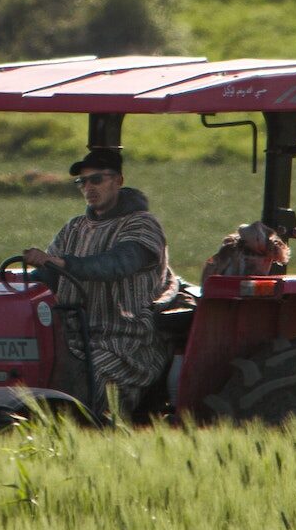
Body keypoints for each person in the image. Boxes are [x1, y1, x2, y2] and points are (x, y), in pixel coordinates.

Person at [23, 148, 180, 415]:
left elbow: (115, 265)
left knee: (84, 383)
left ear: (118, 180)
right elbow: (46, 279)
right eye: (82, 182)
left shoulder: (142, 226)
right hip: (72, 336)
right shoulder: (74, 228)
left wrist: (59, 263)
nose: (88, 187)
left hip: (125, 341)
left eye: (96, 180)